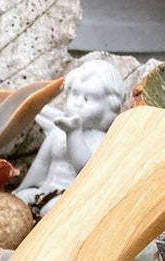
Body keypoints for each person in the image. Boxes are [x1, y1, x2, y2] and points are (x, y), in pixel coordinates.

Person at [17, 59, 126, 206]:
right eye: (74, 93)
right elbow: (40, 166)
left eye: (87, 98)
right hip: (45, 190)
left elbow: (86, 171)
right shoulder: (57, 134)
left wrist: (74, 132)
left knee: (52, 210)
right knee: (20, 201)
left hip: (74, 198)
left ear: (109, 107)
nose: (78, 102)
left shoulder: (101, 140)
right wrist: (21, 190)